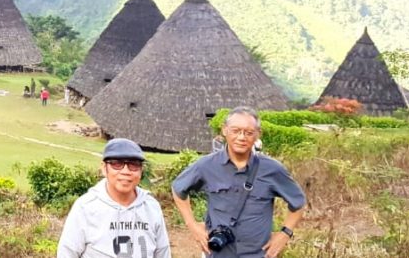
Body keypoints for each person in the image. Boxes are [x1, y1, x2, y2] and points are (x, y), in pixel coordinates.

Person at [172, 107, 306, 258]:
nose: (241, 137)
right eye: (235, 131)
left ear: (257, 135)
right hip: (218, 254)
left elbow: (298, 202)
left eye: (249, 133)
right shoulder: (206, 165)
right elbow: (178, 189)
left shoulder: (272, 169)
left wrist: (285, 234)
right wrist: (192, 225)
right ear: (224, 130)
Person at [57, 138, 171, 258]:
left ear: (141, 170)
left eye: (133, 165)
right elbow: (67, 253)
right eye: (117, 164)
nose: (126, 171)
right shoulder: (86, 207)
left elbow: (163, 252)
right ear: (104, 168)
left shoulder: (151, 206)